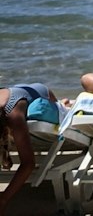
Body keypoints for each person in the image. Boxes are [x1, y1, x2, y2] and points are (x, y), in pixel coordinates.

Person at [0, 81, 59, 211]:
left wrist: (3, 199)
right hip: (16, 90)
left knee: (58, 109)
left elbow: (28, 163)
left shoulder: (14, 115)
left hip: (42, 93)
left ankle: (63, 104)